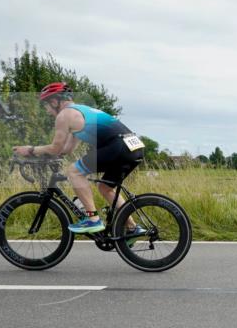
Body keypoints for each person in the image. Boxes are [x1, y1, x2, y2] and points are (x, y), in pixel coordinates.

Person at [13, 82, 146, 237]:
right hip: (134, 147)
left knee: (74, 172)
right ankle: (132, 228)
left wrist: (30, 150)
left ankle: (93, 219)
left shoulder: (64, 115)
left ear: (54, 101)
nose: (47, 110)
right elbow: (66, 149)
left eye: (46, 105)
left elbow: (55, 148)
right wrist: (42, 155)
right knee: (105, 188)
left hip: (118, 147)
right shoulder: (80, 112)